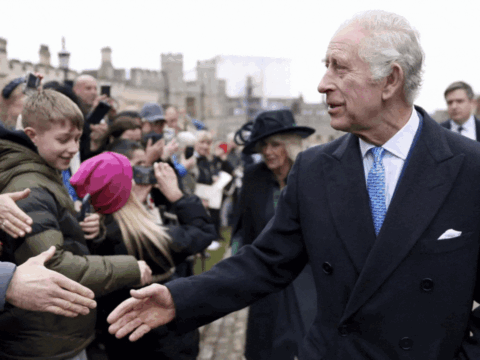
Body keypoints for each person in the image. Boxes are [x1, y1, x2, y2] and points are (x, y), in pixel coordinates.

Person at [107, 10, 480, 359]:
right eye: (325, 67)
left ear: (390, 80)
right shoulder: (315, 168)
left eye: (339, 68)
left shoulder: (470, 167)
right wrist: (179, 298)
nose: (322, 84)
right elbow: (266, 261)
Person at [0, 89, 152, 360]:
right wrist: (130, 268)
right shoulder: (29, 187)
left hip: (54, 331)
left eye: (77, 138)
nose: (73, 148)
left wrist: (81, 227)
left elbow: (49, 236)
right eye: (63, 139)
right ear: (32, 135)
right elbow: (51, 266)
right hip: (43, 339)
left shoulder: (45, 172)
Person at [70, 151, 215, 360]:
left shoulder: (90, 235)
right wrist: (177, 195)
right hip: (167, 345)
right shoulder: (150, 239)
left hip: (119, 344)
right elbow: (202, 232)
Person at [232, 109, 317, 360]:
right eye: (264, 145)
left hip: (307, 277)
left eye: (275, 144)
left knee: (306, 344)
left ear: (290, 146)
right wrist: (239, 269)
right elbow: (243, 228)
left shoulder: (309, 176)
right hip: (266, 277)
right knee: (266, 346)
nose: (268, 151)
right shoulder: (253, 178)